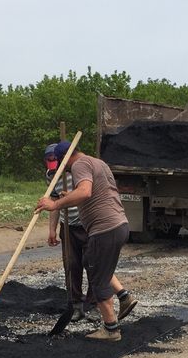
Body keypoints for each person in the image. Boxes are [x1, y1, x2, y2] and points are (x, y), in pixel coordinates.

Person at [36, 141, 136, 341]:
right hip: (119, 224)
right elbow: (97, 192)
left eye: (60, 161)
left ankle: (111, 329)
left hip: (104, 229)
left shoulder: (79, 164)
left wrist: (55, 204)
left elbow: (85, 192)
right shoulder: (98, 162)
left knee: (96, 276)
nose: (61, 166)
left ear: (65, 157)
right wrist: (68, 196)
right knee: (98, 266)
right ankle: (124, 297)